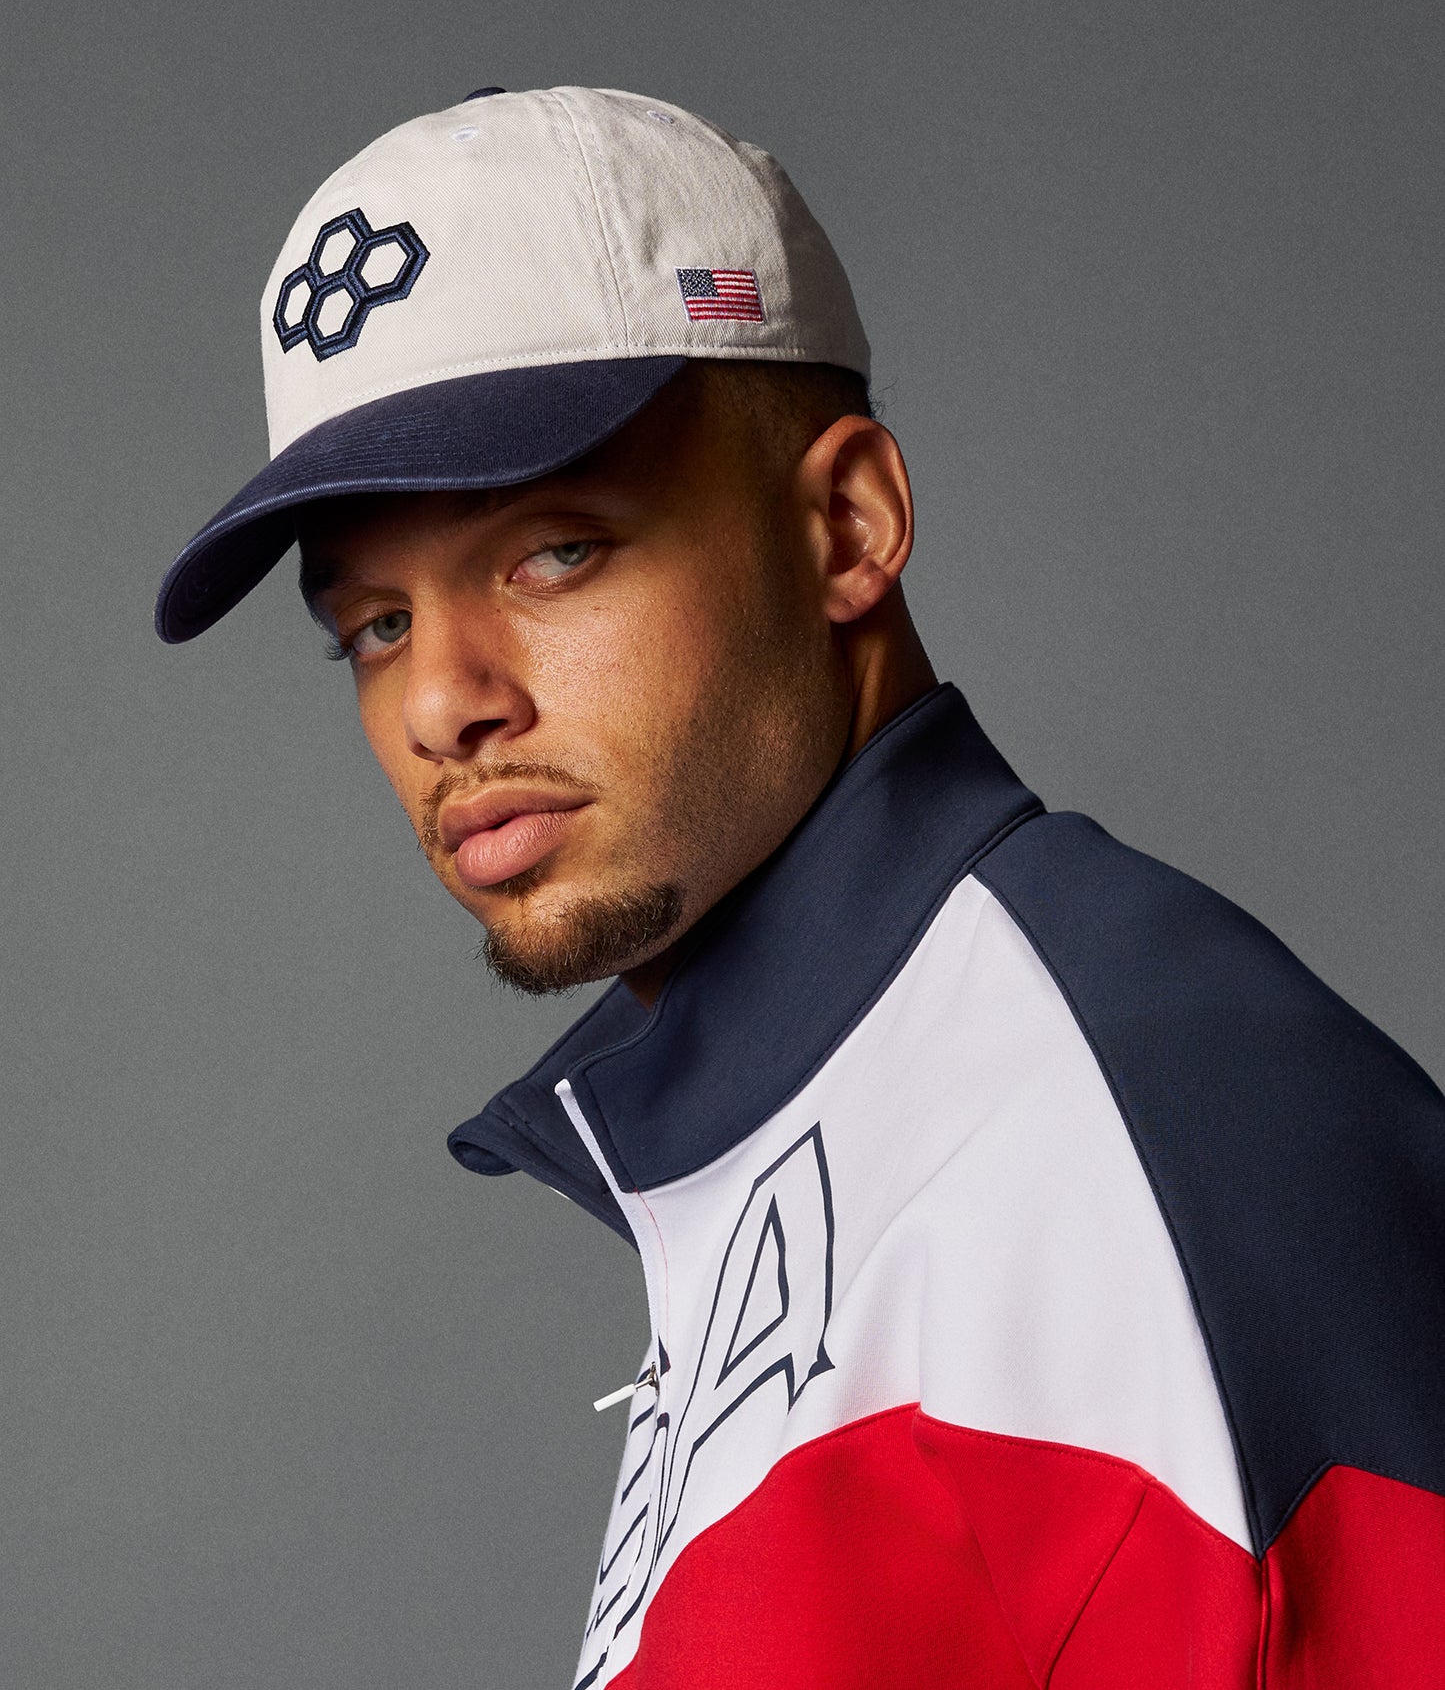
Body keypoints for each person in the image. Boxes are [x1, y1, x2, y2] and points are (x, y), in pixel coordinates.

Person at [155, 86, 1445, 1688]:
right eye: (376, 626)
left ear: (846, 526)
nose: (441, 704)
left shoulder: (1114, 1133)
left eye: (551, 553)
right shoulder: (831, 1123)